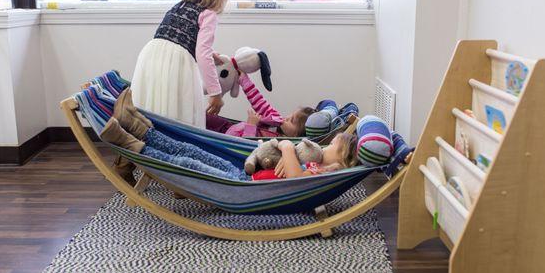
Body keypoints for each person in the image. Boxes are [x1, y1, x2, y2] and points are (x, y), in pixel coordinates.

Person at [100, 89, 360, 182]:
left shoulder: (320, 172)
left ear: (340, 161)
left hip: (242, 184)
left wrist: (287, 148)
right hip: (243, 169)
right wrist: (283, 144)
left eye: (336, 145)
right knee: (191, 151)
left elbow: (294, 178)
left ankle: (129, 142)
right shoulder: (313, 157)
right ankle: (138, 126)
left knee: (188, 164)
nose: (329, 145)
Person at [131, 0, 238, 127]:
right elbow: (201, 55)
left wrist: (210, 53)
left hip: (151, 57)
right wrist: (215, 93)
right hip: (176, 65)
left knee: (157, 104)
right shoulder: (209, 14)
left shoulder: (180, 5)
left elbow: (177, 38)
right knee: (178, 110)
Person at [206, 71, 315, 138]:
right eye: (290, 115)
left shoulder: (277, 144)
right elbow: (258, 101)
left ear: (295, 136)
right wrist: (244, 79)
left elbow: (248, 148)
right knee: (203, 117)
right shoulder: (276, 119)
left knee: (199, 135)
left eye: (291, 120)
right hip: (228, 127)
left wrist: (251, 125)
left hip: (228, 141)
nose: (285, 118)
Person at [251, 133, 359, 180]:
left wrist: (287, 148)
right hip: (255, 178)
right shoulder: (318, 166)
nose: (324, 147)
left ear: (343, 155)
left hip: (255, 188)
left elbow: (296, 180)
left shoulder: (324, 174)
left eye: (331, 144)